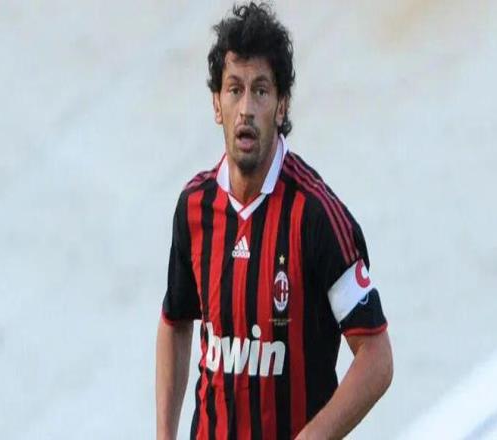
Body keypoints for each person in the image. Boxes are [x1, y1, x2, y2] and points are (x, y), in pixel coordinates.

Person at [156, 3, 393, 439]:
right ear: (216, 103)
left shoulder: (316, 216)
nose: (246, 108)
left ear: (281, 107)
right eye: (234, 89)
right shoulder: (194, 207)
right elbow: (175, 322)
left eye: (261, 91)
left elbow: (376, 357)